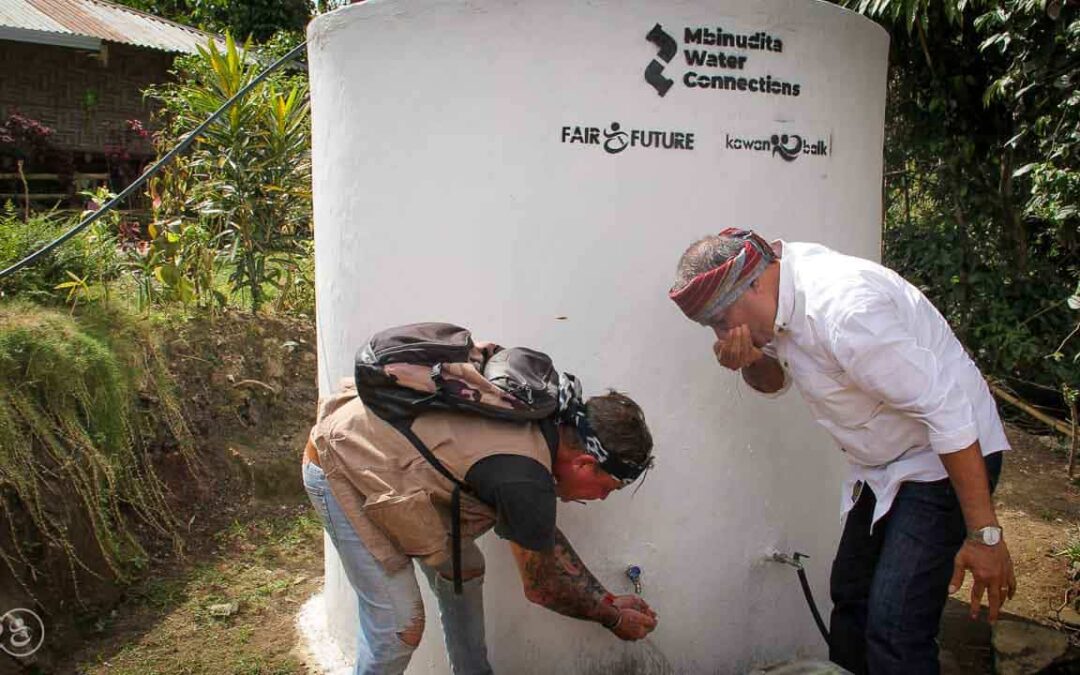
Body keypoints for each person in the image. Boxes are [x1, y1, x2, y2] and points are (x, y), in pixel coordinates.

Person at [668, 229, 1014, 675]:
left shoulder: (846, 313)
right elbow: (775, 382)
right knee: (852, 596)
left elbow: (948, 412)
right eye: (710, 326)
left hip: (943, 456)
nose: (722, 332)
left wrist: (985, 535)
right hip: (880, 463)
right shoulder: (774, 297)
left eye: (720, 318)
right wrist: (751, 359)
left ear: (754, 282)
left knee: (897, 624)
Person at [302, 365, 658, 675]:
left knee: (464, 569)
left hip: (387, 464)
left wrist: (606, 599)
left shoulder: (546, 425)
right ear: (583, 463)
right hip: (342, 465)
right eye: (606, 488)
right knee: (398, 630)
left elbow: (540, 536)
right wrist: (611, 618)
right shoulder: (524, 474)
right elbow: (542, 586)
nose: (599, 498)